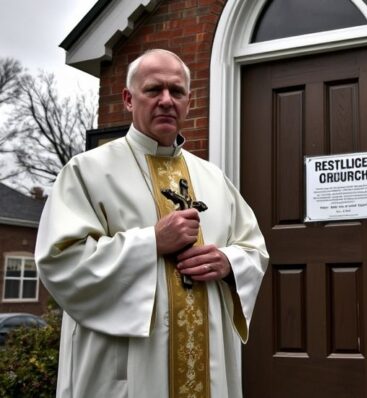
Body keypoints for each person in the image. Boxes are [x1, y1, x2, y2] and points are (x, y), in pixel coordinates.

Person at [35, 49, 269, 398]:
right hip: (124, 368)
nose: (166, 100)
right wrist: (151, 243)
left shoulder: (214, 179)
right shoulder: (87, 172)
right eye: (153, 89)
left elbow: (254, 249)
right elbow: (60, 259)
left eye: (177, 91)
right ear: (129, 99)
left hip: (208, 366)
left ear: (189, 102)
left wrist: (228, 262)